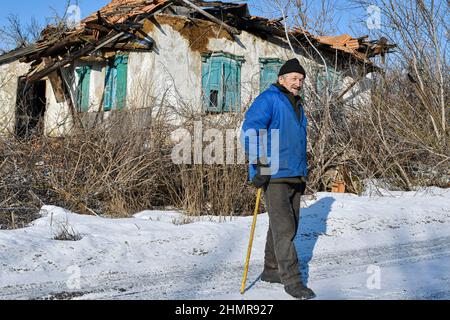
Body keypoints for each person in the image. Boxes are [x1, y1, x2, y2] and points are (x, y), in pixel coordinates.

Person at [241, 58, 316, 300]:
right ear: (281, 79)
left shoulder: (297, 104)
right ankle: (292, 281)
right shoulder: (269, 99)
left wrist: (302, 172)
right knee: (285, 229)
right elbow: (252, 130)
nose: (298, 83)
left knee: (285, 224)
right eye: (294, 78)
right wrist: (259, 164)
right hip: (273, 173)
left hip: (294, 172)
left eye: (301, 79)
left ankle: (272, 269)